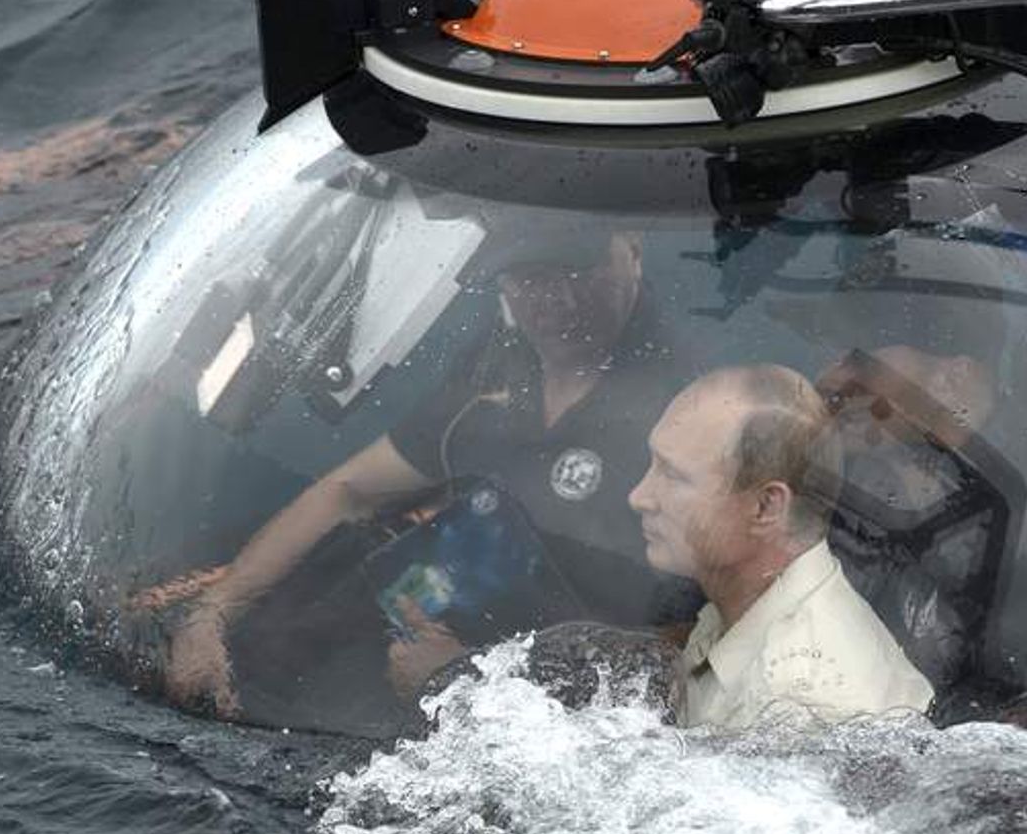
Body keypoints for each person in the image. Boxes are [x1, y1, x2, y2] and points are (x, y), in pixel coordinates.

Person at [164, 227, 692, 716]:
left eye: (582, 272)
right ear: (504, 283)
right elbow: (349, 492)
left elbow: (693, 640)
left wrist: (464, 686)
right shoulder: (499, 374)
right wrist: (213, 614)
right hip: (425, 650)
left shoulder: (691, 410)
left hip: (538, 726)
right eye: (533, 278)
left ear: (633, 253)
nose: (561, 301)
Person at [627, 364, 935, 729]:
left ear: (765, 507)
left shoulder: (797, 706)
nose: (639, 497)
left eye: (673, 476)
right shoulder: (746, 605)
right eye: (653, 465)